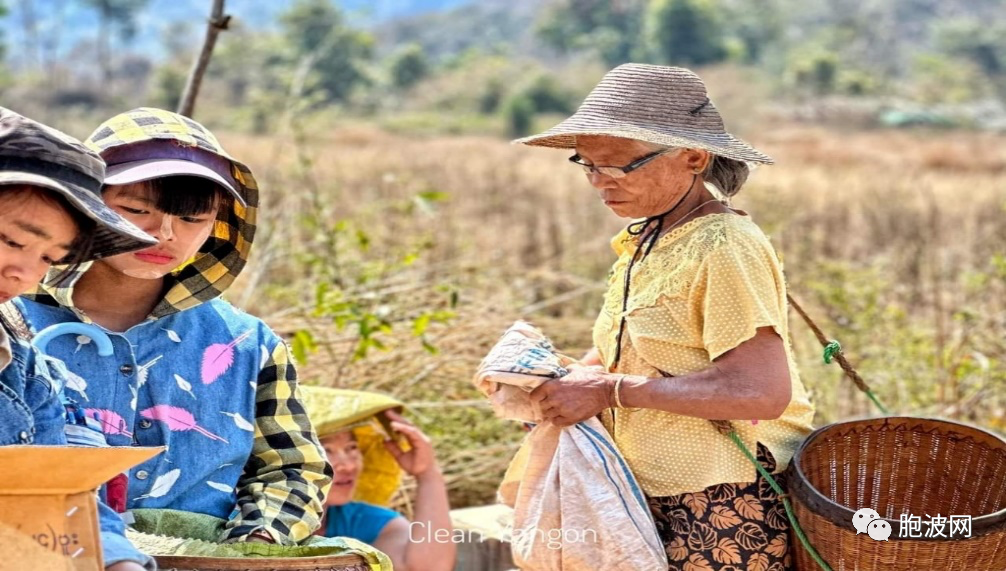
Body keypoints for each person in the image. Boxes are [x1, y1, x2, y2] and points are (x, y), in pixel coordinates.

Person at [515, 64, 816, 569]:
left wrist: (609, 391)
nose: (598, 182)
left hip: (719, 506)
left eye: (618, 166)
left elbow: (759, 392)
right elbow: (627, 352)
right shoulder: (646, 240)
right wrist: (559, 382)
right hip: (639, 488)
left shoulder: (723, 244)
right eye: (586, 164)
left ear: (693, 157)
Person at [20, 107, 333, 545]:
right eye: (135, 209)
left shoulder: (247, 344)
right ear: (86, 204)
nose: (164, 234)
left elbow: (292, 468)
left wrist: (255, 541)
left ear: (219, 223)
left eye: (192, 219)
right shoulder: (14, 324)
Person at [0, 106, 157, 570]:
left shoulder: (27, 372)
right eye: (12, 241)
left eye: (49, 257)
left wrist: (119, 562)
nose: (25, 275)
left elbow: (68, 496)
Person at [303, 386, 455, 571]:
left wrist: (428, 475)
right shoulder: (260, 522)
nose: (349, 465)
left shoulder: (363, 521)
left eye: (351, 448)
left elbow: (427, 568)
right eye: (327, 450)